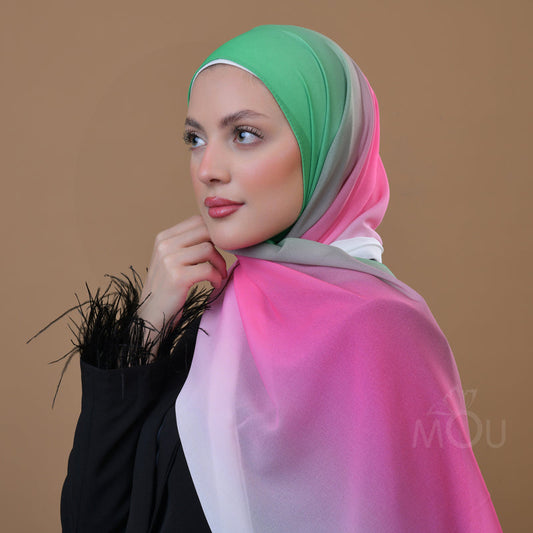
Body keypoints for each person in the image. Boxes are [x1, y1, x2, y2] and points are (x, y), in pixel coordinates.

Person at [58, 25, 502, 532]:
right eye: (195, 139)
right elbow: (93, 522)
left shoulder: (382, 329)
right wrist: (144, 331)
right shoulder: (216, 321)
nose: (207, 169)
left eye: (244, 135)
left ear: (323, 148)